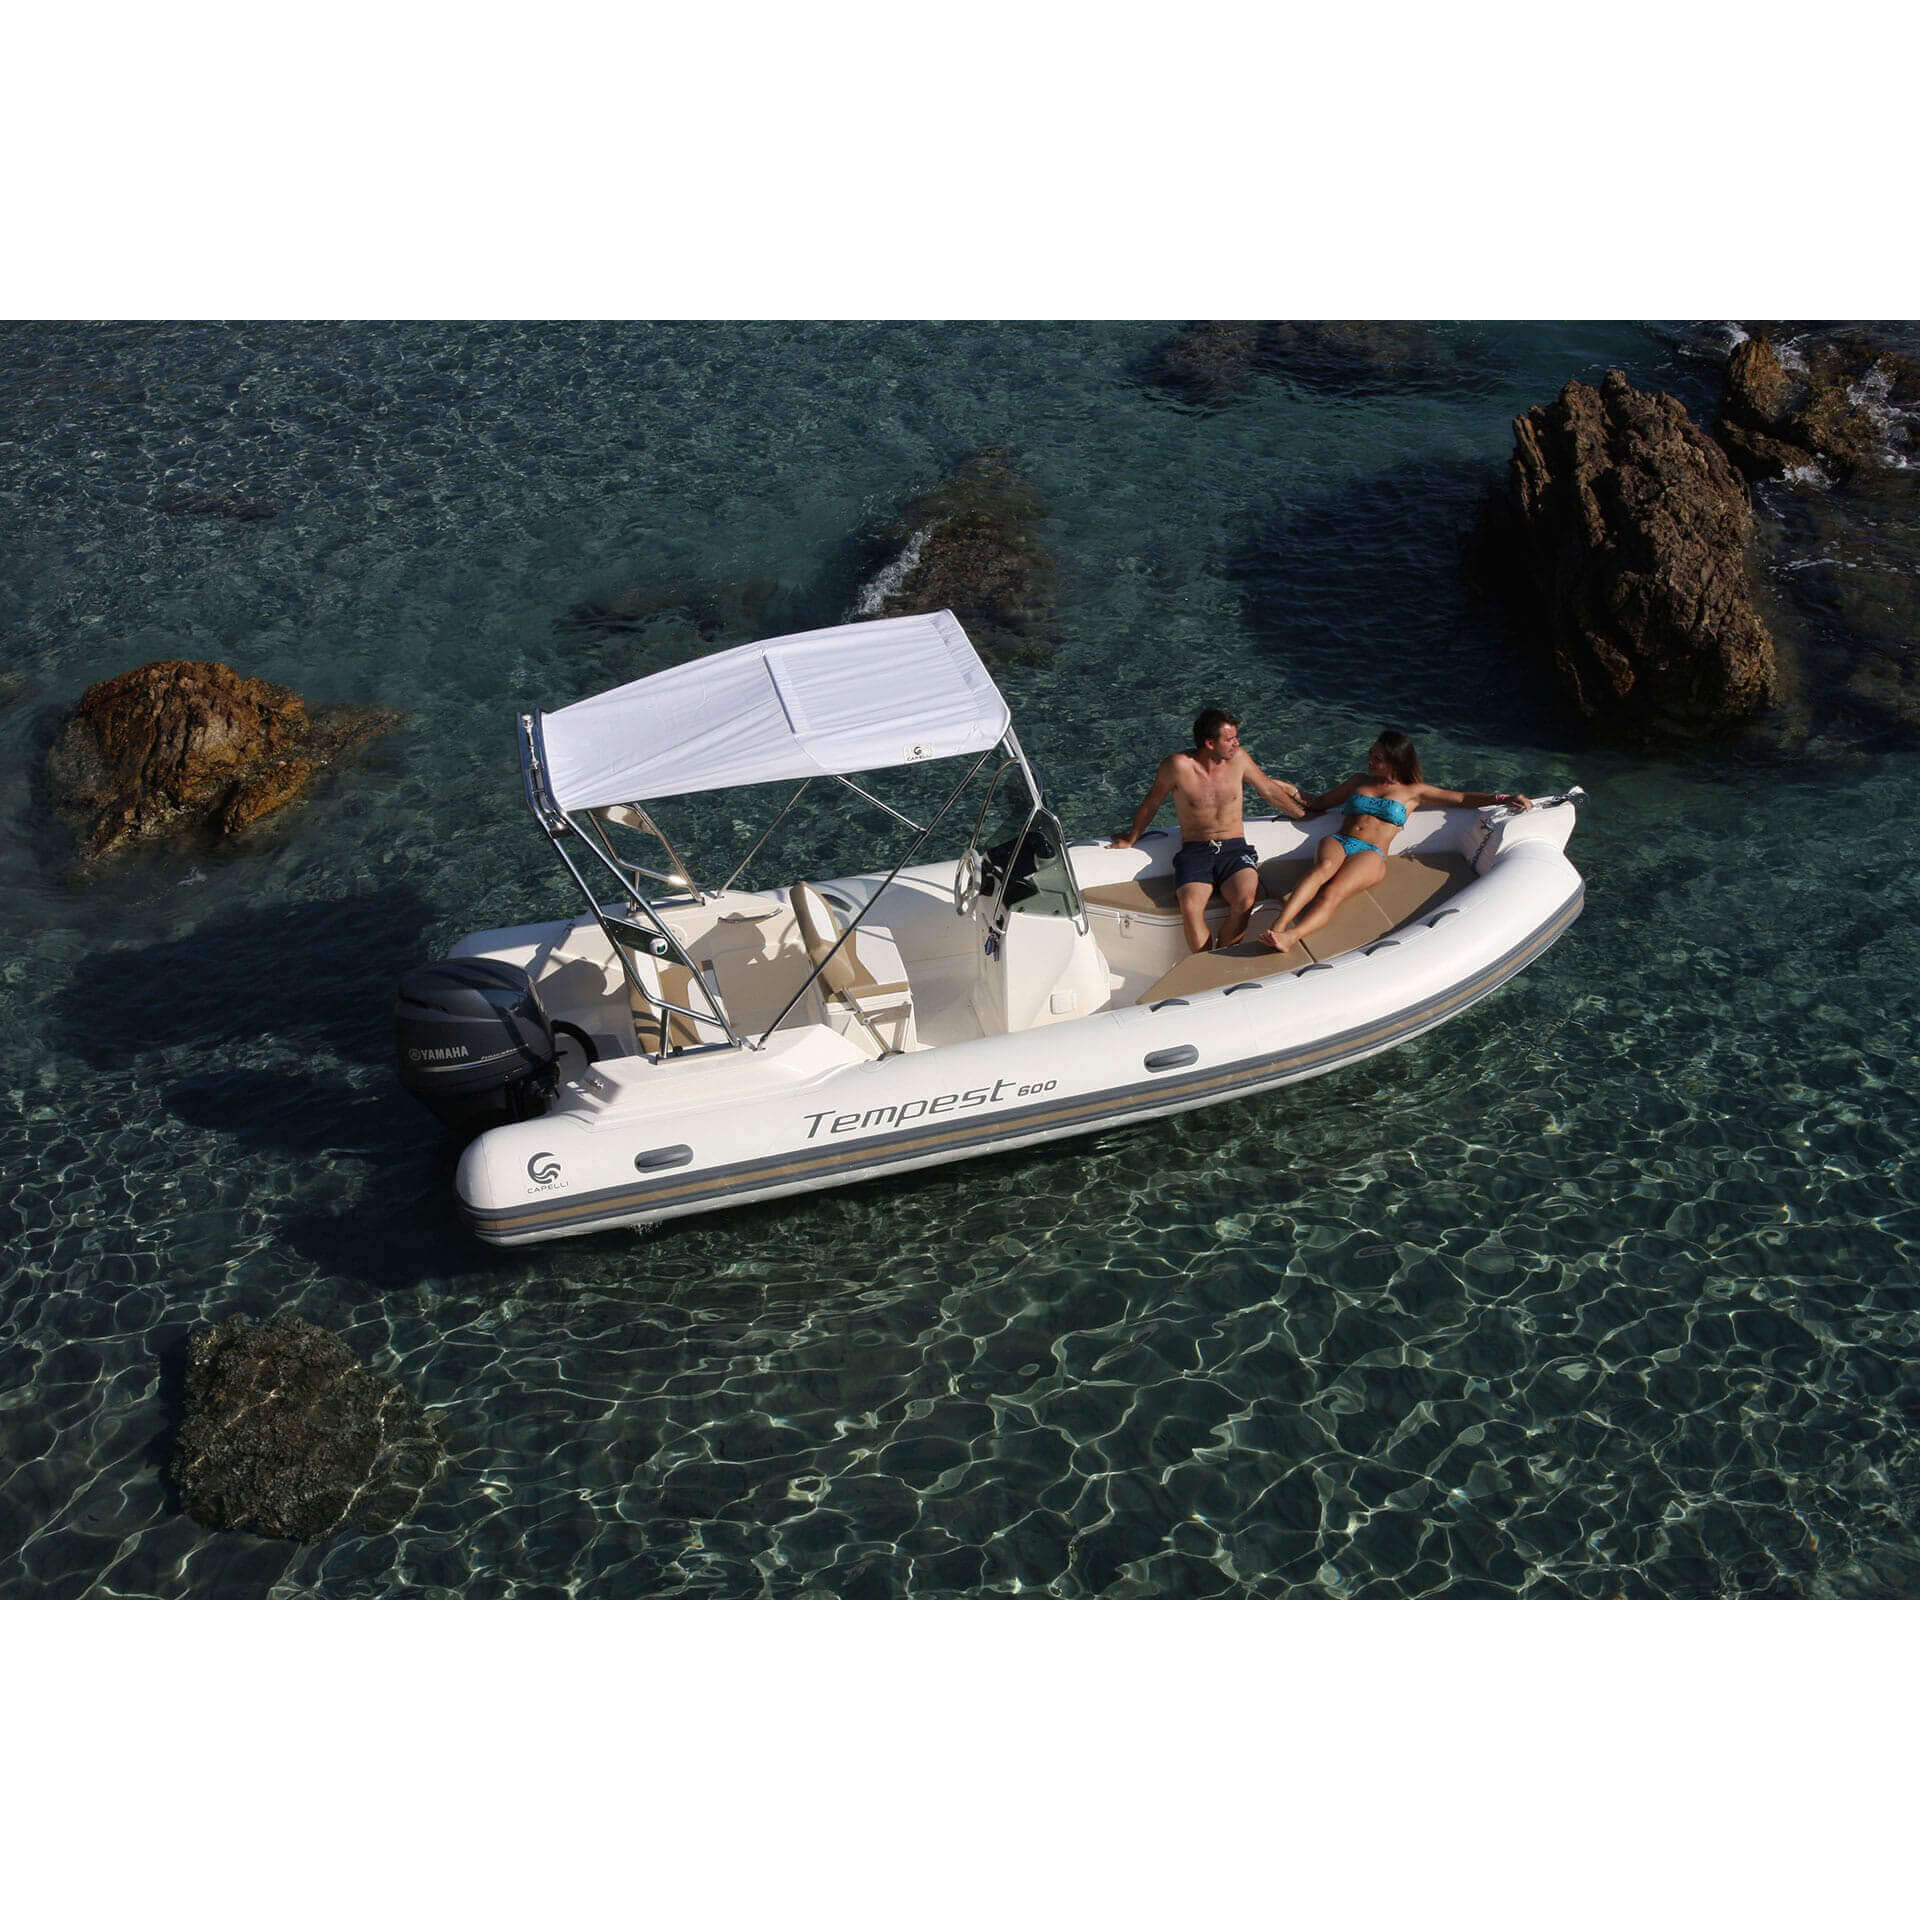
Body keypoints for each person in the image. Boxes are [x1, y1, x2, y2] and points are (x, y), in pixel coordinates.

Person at [1258, 729, 1532, 953]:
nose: (1369, 760)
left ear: (1395, 761)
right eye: (1370, 754)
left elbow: (1461, 799)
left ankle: (1292, 936)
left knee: (1333, 892)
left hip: (1371, 852)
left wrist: (1504, 798)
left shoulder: (1414, 792)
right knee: (1322, 870)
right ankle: (1278, 927)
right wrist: (1290, 789)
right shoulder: (1358, 781)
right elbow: (1319, 803)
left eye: (1376, 757)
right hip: (1340, 839)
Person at [1109, 708, 1307, 952]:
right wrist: (1132, 838)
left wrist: (1302, 815)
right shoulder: (1178, 766)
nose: (1237, 743)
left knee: (1245, 898)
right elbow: (1152, 802)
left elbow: (1268, 790)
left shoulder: (1239, 760)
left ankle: (1224, 954)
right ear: (1210, 743)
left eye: (1236, 738)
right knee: (1190, 905)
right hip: (1196, 850)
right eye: (1230, 739)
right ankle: (1205, 960)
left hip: (1234, 848)